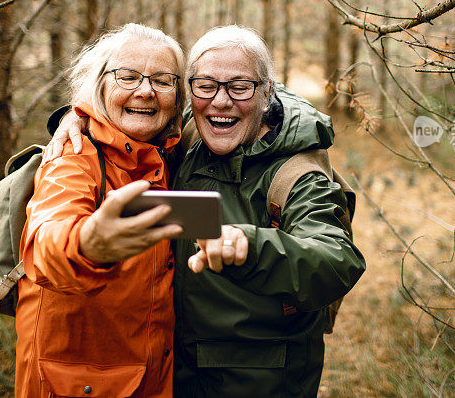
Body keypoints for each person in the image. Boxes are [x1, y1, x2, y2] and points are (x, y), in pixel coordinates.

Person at [50, 25, 365, 397]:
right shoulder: (185, 139)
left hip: (259, 382)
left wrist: (249, 246)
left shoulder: (296, 172)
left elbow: (336, 259)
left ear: (266, 92)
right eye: (206, 86)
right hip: (175, 374)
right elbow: (127, 110)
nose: (220, 101)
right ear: (190, 91)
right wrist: (77, 118)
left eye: (239, 87)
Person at [15, 23, 186, 398]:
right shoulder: (74, 155)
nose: (145, 90)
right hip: (74, 383)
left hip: (149, 376)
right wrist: (88, 245)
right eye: (127, 76)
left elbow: (250, 89)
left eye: (163, 80)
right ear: (100, 85)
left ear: (179, 95)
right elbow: (46, 239)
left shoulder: (173, 152)